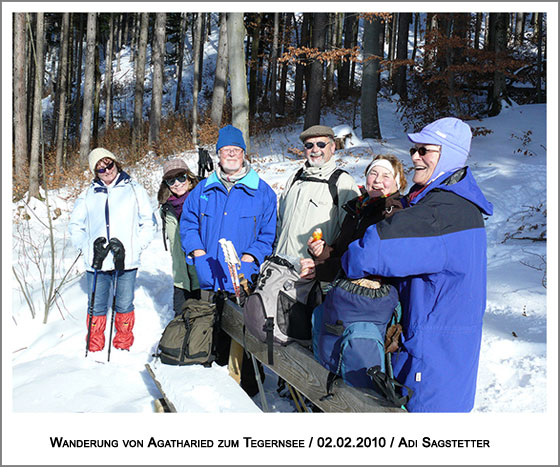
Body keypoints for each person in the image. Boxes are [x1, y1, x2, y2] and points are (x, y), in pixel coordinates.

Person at [341, 117, 494, 412]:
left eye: (425, 151)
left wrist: (346, 259)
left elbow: (371, 251)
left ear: (448, 155)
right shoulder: (459, 207)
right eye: (414, 150)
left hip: (430, 360)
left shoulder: (441, 214)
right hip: (448, 354)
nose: (415, 157)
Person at [180, 124, 277, 395]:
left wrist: (250, 257)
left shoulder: (263, 192)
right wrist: (198, 252)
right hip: (209, 273)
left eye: (236, 150)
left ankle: (243, 387)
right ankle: (207, 378)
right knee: (208, 329)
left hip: (242, 278)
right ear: (218, 155)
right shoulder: (202, 190)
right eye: (226, 151)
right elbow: (187, 225)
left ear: (244, 154)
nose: (231, 155)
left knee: (241, 334)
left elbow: (268, 234)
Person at [69, 148, 156, 352]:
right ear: (95, 172)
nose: (107, 171)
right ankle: (95, 344)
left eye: (109, 165)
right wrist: (86, 248)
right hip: (98, 261)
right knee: (97, 305)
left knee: (124, 303)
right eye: (101, 169)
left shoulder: (134, 189)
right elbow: (75, 225)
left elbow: (148, 222)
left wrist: (137, 246)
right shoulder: (88, 193)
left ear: (116, 164)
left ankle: (123, 344)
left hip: (127, 260)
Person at [300, 154, 407, 282]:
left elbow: (367, 262)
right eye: (373, 173)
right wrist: (322, 251)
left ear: (398, 183)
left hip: (371, 294)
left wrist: (322, 269)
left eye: (386, 176)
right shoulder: (357, 208)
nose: (377, 180)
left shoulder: (393, 214)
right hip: (345, 288)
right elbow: (342, 252)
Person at [275, 125, 360, 262]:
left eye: (321, 144)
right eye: (309, 145)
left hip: (314, 271)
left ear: (332, 148)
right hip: (281, 267)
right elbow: (280, 223)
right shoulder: (295, 179)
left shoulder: (342, 182)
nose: (315, 150)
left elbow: (350, 233)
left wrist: (328, 264)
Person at [157, 159, 201, 317]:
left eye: (181, 177)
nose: (177, 183)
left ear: (189, 177)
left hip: (202, 279)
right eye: (171, 180)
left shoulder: (203, 200)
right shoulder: (166, 208)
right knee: (180, 324)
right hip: (181, 280)